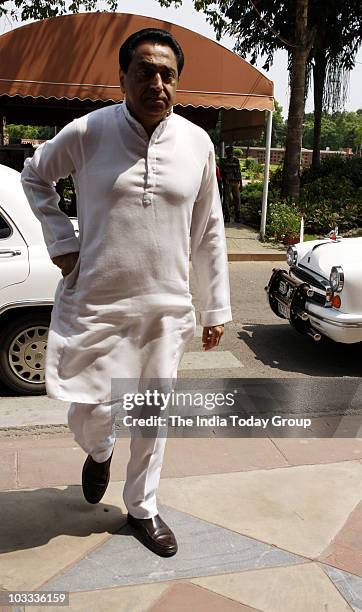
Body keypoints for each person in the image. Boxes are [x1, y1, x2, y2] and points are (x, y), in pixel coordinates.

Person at [21, 28, 231, 558]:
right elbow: (34, 176)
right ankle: (99, 450)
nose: (157, 83)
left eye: (167, 74)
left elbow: (208, 227)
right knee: (90, 409)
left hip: (166, 307)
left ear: (177, 82)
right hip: (96, 300)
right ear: (123, 77)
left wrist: (214, 306)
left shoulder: (197, 143)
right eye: (145, 71)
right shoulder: (88, 132)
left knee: (151, 412)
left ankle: (143, 507)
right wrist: (62, 242)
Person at [220, 145, 242, 223]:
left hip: (236, 183)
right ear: (226, 153)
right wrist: (224, 180)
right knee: (226, 200)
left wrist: (241, 184)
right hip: (227, 182)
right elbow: (221, 173)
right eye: (229, 152)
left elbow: (239, 172)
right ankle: (227, 216)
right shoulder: (223, 161)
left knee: (237, 199)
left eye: (232, 152)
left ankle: (237, 216)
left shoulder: (236, 160)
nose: (231, 154)